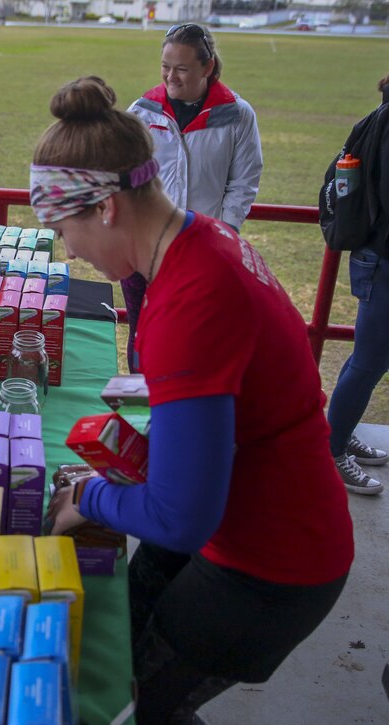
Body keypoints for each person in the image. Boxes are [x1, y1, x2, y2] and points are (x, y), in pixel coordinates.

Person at [35, 77, 352, 724]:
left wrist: (88, 498)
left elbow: (181, 517)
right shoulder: (195, 242)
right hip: (247, 511)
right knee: (120, 645)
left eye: (61, 226)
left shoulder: (192, 300)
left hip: (273, 559)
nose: (67, 249)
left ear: (105, 208)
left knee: (139, 705)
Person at [123, 23, 263, 370]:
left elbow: (244, 181)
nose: (171, 77)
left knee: (193, 338)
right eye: (166, 67)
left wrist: (223, 232)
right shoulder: (142, 111)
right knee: (142, 335)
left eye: (182, 69)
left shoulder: (237, 115)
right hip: (144, 247)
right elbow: (123, 174)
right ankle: (145, 413)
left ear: (208, 67)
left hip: (203, 250)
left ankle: (179, 416)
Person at [325, 72, 389, 496]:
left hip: (376, 257)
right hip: (383, 260)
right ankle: (330, 452)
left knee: (369, 360)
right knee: (368, 362)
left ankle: (338, 432)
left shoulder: (377, 117)